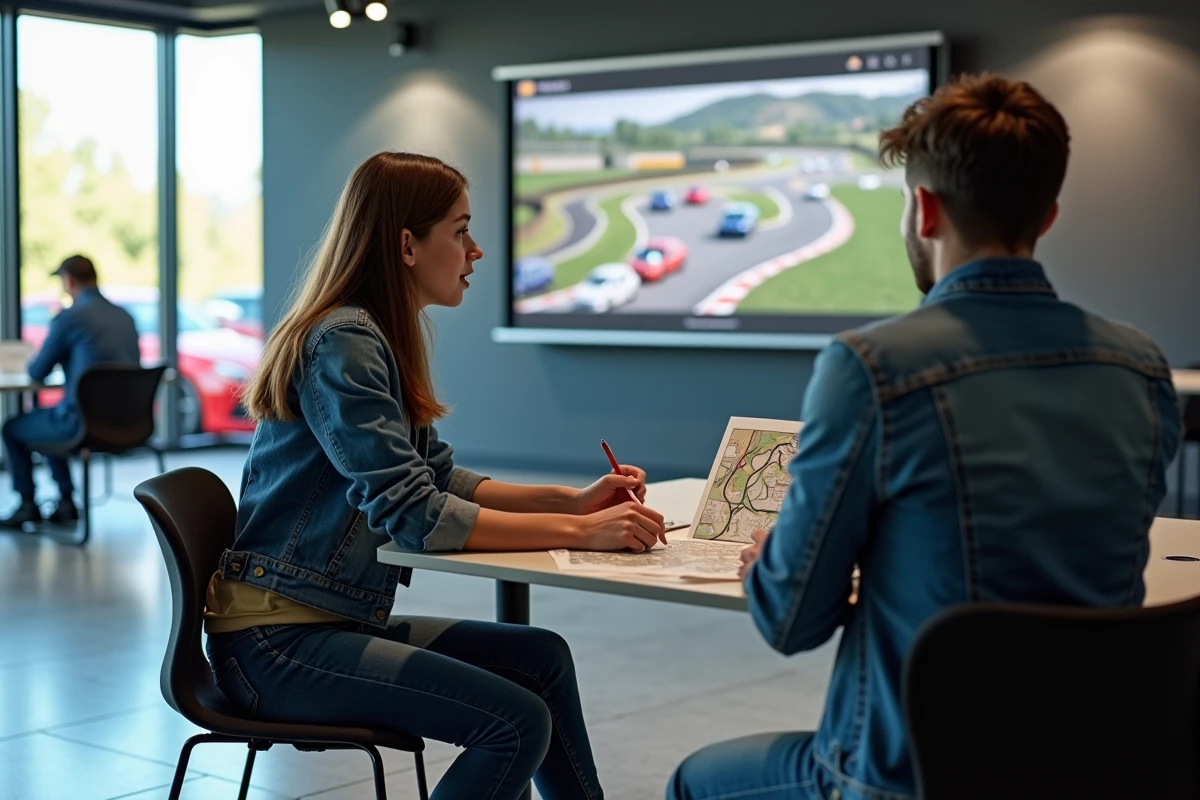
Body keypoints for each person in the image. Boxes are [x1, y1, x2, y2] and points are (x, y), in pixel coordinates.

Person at [669, 74, 1181, 800]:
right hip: (1098, 766)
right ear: (1050, 214)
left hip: (909, 773)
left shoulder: (873, 368)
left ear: (925, 208)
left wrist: (773, 562)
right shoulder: (1140, 364)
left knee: (695, 781)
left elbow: (791, 622)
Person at [205, 152, 666, 800]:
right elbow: (417, 517)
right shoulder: (344, 342)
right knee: (515, 721)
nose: (475, 251)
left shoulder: (375, 335)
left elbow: (436, 477)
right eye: (460, 230)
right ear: (407, 245)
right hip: (280, 644)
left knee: (542, 660)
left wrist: (575, 502)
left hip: (327, 620)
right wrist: (584, 533)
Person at [0, 255, 140, 529]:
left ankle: (28, 504)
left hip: (83, 425)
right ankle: (65, 503)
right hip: (129, 424)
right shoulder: (125, 316)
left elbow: (38, 372)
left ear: (69, 281)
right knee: (50, 417)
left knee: (13, 428)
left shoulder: (69, 317)